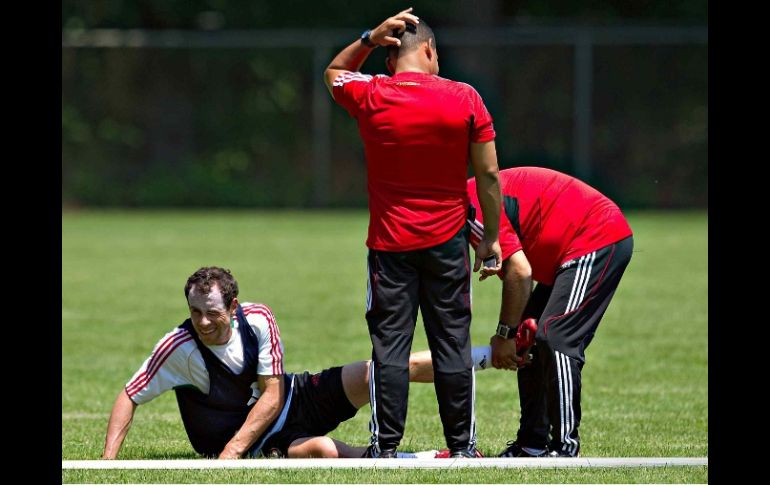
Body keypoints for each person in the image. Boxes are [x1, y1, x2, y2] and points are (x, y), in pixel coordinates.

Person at [324, 8, 503, 459]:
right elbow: (490, 177)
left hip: (389, 248)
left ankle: (384, 448)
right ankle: (462, 448)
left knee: (389, 349)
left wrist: (368, 36)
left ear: (389, 56)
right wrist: (492, 237)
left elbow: (335, 72)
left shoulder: (372, 93)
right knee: (452, 346)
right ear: (428, 49)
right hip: (447, 246)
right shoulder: (466, 98)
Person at [101, 266, 495, 460]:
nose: (202, 321)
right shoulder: (178, 346)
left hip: (292, 398)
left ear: (233, 306)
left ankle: (494, 356)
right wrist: (107, 465)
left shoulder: (257, 319)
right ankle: (429, 459)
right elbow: (129, 395)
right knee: (323, 451)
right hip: (265, 442)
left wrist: (228, 455)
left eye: (212, 312)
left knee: (378, 371)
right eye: (195, 311)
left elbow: (272, 397)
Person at [465, 167, 634, 458]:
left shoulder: (470, 209)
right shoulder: (463, 202)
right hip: (571, 246)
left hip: (596, 235)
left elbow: (520, 273)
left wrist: (504, 335)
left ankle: (565, 447)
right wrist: (512, 333)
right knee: (528, 337)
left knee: (555, 337)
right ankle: (532, 444)